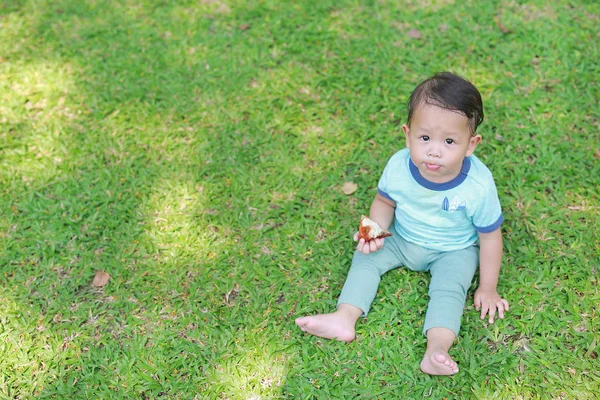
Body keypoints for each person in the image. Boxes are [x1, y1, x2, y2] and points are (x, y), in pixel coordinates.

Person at [295, 72, 509, 376]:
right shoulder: (399, 166)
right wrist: (372, 230)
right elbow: (385, 202)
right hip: (402, 237)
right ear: (407, 134)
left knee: (449, 290)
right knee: (365, 259)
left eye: (449, 141)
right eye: (424, 138)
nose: (434, 150)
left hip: (453, 250)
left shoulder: (478, 186)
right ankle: (344, 317)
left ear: (471, 144)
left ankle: (437, 348)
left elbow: (490, 237)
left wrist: (488, 287)